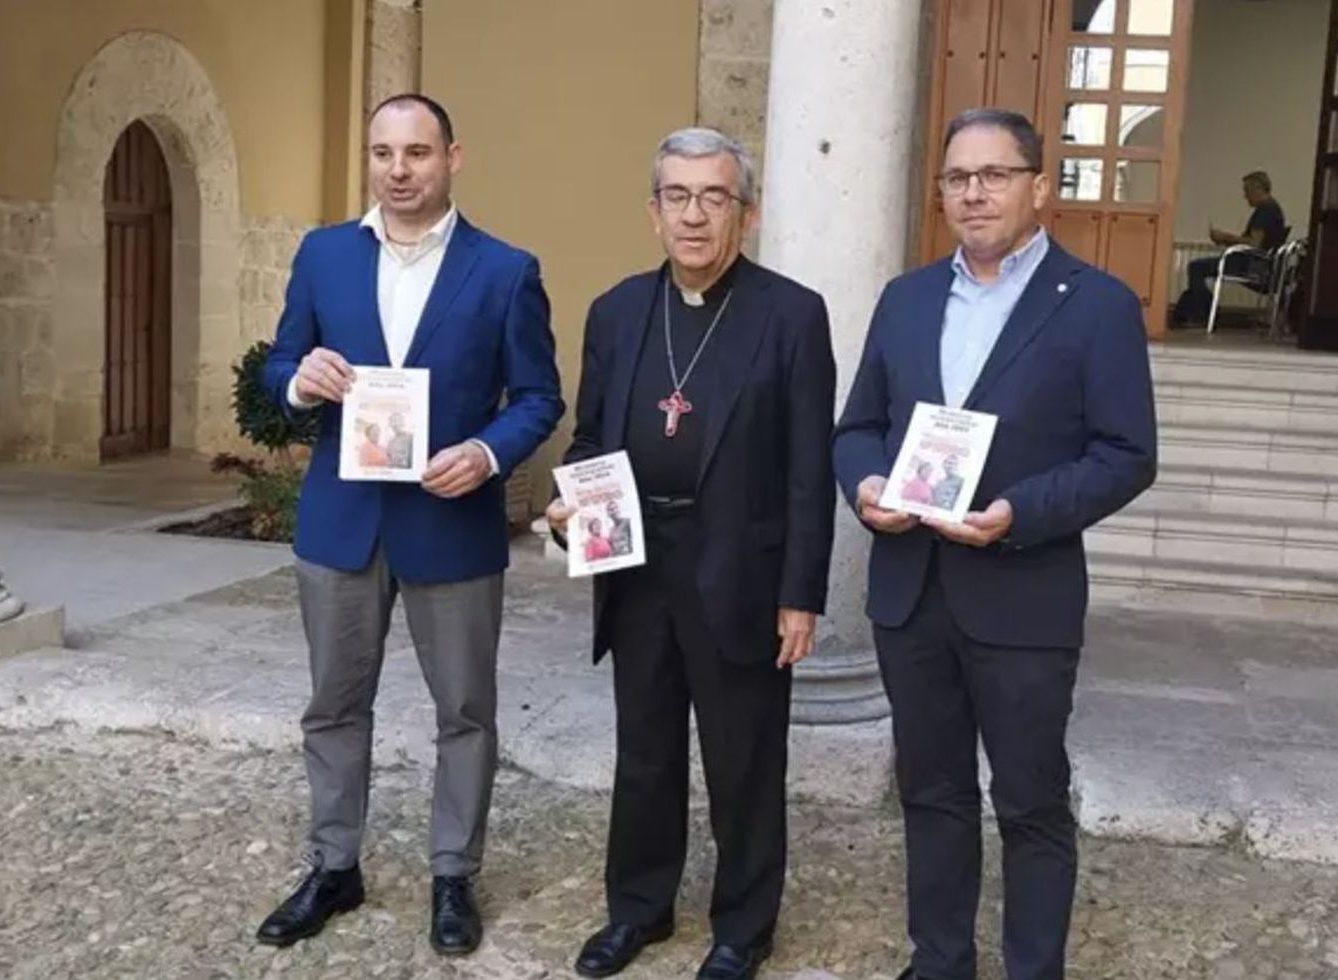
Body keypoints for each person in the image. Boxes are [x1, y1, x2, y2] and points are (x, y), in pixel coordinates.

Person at [833, 108, 1157, 980]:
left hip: (1023, 595)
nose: (973, 193)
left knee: (1029, 804)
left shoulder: (1096, 305)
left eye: (994, 175)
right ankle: (940, 960)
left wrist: (1022, 510)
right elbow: (858, 426)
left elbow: (1128, 456)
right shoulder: (905, 300)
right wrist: (865, 485)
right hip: (913, 591)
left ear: (1039, 187)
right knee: (930, 793)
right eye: (957, 178)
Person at [256, 93, 564, 956]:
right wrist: (298, 377)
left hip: (450, 521)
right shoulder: (322, 256)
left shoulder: (505, 270)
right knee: (332, 705)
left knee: (465, 709)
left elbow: (539, 395)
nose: (398, 170)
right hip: (342, 521)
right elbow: (281, 361)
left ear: (453, 158)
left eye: (417, 153)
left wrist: (489, 453)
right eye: (383, 153)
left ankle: (453, 874)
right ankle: (333, 866)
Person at [546, 127, 836, 980]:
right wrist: (574, 505)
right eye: (678, 196)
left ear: (745, 213)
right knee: (644, 753)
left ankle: (743, 928)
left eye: (715, 198)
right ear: (654, 210)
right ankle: (639, 908)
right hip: (638, 566)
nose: (695, 215)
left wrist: (801, 593)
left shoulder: (790, 313)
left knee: (744, 759)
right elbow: (592, 435)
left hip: (740, 570)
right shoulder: (616, 310)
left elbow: (809, 469)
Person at [1172, 170, 1286, 326]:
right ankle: (1202, 309)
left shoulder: (1265, 211)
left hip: (1251, 266)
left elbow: (1253, 245)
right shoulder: (1274, 209)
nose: (1245, 196)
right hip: (1260, 264)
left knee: (1196, 268)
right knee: (1198, 269)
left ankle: (1203, 312)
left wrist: (1225, 237)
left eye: (1247, 190)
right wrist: (1227, 241)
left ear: (1258, 189)